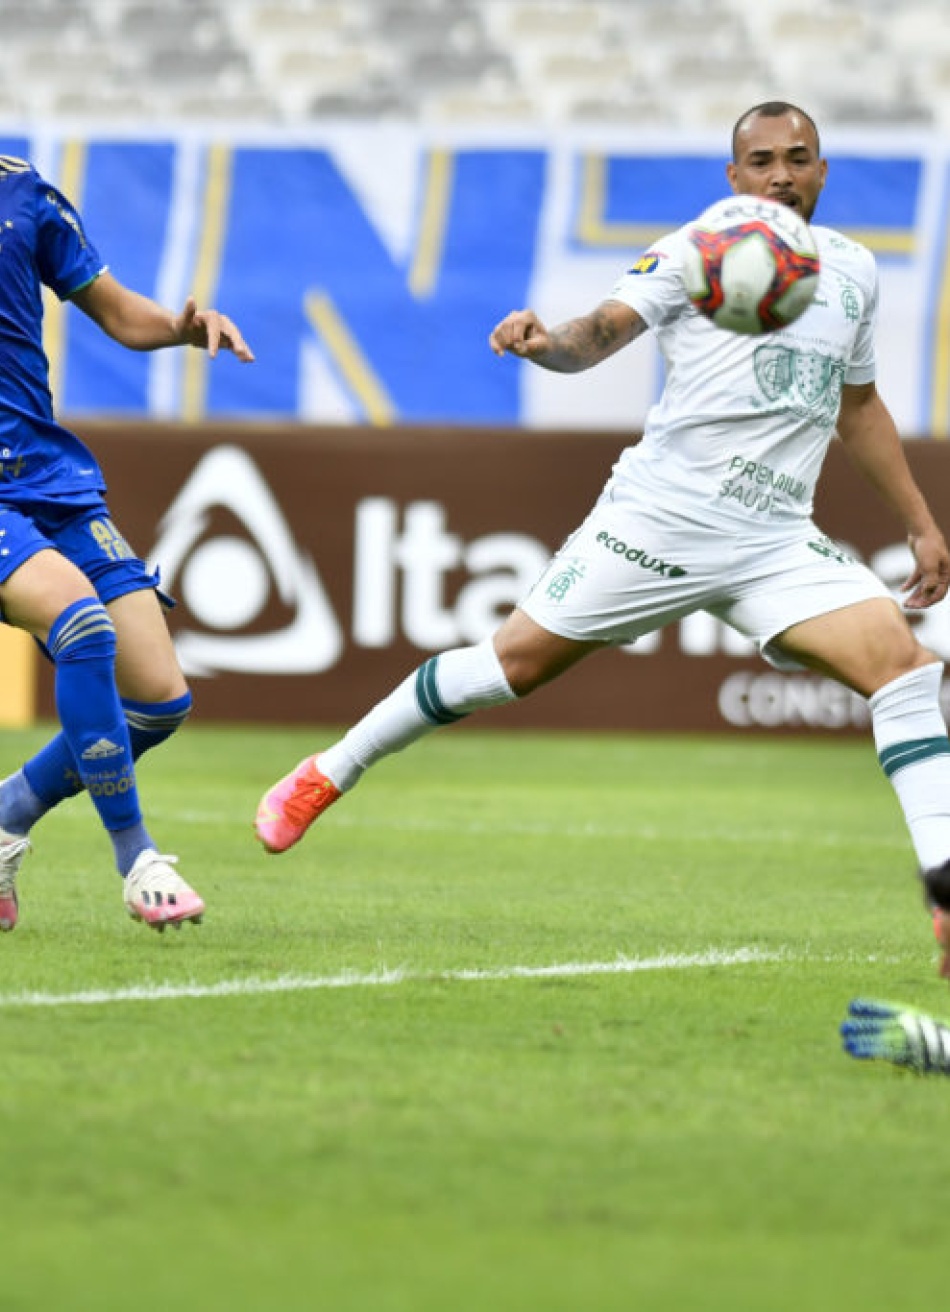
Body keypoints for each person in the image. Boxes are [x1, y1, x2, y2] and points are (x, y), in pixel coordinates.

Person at [254, 101, 950, 976]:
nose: (781, 174)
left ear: (822, 170)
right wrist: (545, 344)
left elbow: (859, 407)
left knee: (909, 674)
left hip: (775, 539)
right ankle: (331, 769)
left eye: (798, 158)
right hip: (658, 518)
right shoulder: (693, 249)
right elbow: (598, 335)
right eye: (762, 160)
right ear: (734, 178)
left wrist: (921, 524)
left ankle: (943, 891)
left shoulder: (851, 271)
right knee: (512, 666)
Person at [0, 155, 253, 934]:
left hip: (49, 475)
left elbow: (114, 310)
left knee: (159, 698)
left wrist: (179, 329)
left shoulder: (23, 190)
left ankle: (8, 813)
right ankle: (137, 857)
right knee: (82, 625)